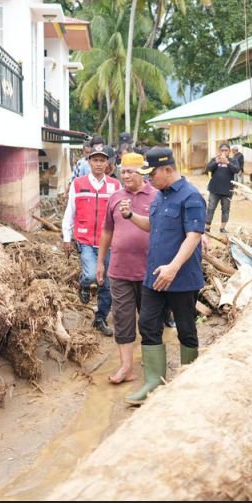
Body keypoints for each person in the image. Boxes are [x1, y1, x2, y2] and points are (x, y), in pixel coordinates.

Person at [120, 146, 207, 405]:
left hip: (181, 279)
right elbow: (152, 225)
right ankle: (153, 382)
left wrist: (173, 268)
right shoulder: (160, 196)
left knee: (186, 329)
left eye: (152, 174)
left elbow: (194, 236)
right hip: (154, 276)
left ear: (168, 169)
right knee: (147, 325)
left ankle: (187, 383)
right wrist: (130, 215)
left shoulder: (191, 196)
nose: (148, 180)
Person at [97, 152, 157, 385]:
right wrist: (101, 262)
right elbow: (107, 231)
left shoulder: (156, 195)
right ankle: (126, 367)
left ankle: (153, 364)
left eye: (130, 171)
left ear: (142, 172)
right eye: (123, 171)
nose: (126, 175)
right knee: (122, 319)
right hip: (119, 270)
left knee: (150, 320)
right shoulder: (114, 197)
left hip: (149, 270)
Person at [62, 140, 121, 336]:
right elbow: (70, 211)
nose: (98, 164)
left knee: (106, 282)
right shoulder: (78, 184)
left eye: (101, 160)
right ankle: (84, 284)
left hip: (109, 242)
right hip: (85, 240)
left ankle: (100, 318)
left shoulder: (115, 186)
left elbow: (120, 214)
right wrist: (66, 237)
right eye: (94, 160)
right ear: (88, 162)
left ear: (107, 164)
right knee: (90, 275)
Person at [204, 142, 240, 234]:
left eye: (226, 150)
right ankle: (207, 227)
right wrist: (216, 162)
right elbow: (207, 169)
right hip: (214, 189)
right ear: (219, 151)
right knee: (211, 208)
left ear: (229, 151)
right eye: (222, 150)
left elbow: (237, 170)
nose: (224, 152)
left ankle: (222, 228)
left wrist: (227, 163)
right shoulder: (215, 160)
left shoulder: (232, 161)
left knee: (225, 209)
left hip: (227, 190)